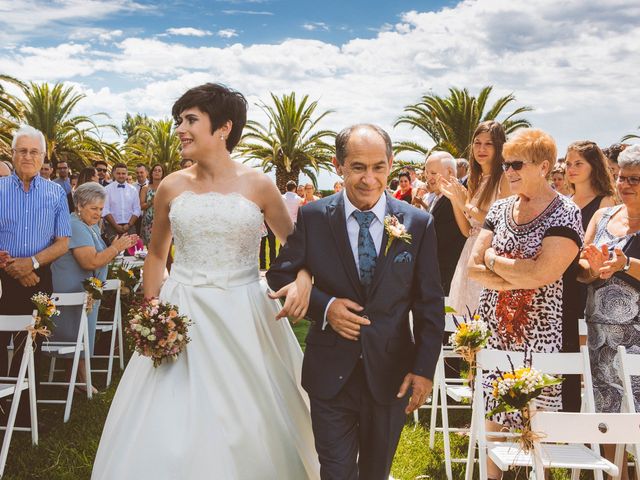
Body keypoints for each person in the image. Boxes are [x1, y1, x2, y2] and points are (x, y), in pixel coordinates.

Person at [92, 83, 319, 480]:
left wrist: (303, 280)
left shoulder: (259, 185)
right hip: (182, 310)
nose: (180, 128)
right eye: (180, 120)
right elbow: (158, 254)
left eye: (191, 120)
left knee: (253, 412)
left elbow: (297, 249)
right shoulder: (171, 186)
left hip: (245, 311)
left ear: (224, 128)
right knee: (170, 411)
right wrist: (152, 308)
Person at [268, 124, 444, 480]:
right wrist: (326, 305)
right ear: (339, 166)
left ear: (391, 164)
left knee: (375, 473)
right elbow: (279, 274)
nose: (369, 178)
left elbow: (429, 305)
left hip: (391, 372)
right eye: (358, 167)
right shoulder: (315, 217)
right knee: (336, 471)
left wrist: (424, 370)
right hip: (330, 371)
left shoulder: (418, 222)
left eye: (378, 167)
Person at [468, 128, 583, 479]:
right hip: (496, 331)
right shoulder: (501, 208)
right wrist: (517, 271)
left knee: (537, 432)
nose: (509, 171)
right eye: (506, 164)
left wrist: (494, 260)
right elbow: (474, 267)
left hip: (542, 337)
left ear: (544, 166)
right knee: (493, 423)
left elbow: (542, 275)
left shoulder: (565, 212)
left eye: (517, 164)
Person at [0, 125, 71, 426]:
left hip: (40, 279)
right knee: (1, 341)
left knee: (34, 342)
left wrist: (31, 264)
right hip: (2, 280)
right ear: (12, 154)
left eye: (34, 151)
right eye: (22, 151)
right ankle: (3, 406)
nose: (27, 156)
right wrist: (13, 268)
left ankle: (27, 410)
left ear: (44, 156)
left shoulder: (56, 193)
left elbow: (63, 242)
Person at [578, 144, 640, 477]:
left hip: (638, 338)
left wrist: (625, 264)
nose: (625, 184)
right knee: (607, 414)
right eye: (620, 177)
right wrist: (593, 266)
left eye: (634, 179)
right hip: (601, 334)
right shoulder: (604, 216)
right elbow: (582, 265)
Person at [51, 183, 138, 393]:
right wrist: (116, 248)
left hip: (84, 293)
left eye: (101, 209)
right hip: (73, 291)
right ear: (79, 205)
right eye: (94, 209)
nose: (99, 214)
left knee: (81, 334)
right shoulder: (75, 225)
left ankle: (77, 379)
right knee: (76, 334)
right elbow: (89, 262)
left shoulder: (85, 225)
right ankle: (82, 381)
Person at [441, 120, 510, 314]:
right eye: (477, 143)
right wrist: (454, 199)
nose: (481, 149)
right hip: (470, 252)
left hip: (493, 253)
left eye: (488, 144)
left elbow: (500, 221)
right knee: (467, 319)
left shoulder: (505, 179)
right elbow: (466, 230)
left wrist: (466, 205)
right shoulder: (475, 180)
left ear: (499, 146)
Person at [423, 152, 466, 295]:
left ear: (449, 172)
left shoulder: (457, 197)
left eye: (433, 173)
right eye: (427, 172)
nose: (428, 177)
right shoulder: (436, 197)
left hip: (448, 276)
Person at [565, 141, 617, 228]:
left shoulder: (605, 202)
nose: (570, 169)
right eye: (568, 164)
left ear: (594, 166)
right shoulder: (564, 201)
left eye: (578, 164)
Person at [101, 163, 141, 243]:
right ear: (114, 174)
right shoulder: (106, 189)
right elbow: (105, 210)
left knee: (131, 252)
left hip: (130, 226)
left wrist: (129, 225)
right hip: (112, 227)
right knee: (113, 253)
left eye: (123, 173)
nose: (121, 176)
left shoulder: (133, 189)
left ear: (127, 174)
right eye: (118, 173)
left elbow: (137, 209)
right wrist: (116, 226)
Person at [139, 163, 164, 246]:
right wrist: (151, 202)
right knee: (149, 248)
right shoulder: (145, 188)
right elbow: (141, 206)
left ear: (162, 173)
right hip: (148, 223)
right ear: (151, 173)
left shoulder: (166, 187)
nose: (157, 172)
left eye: (159, 171)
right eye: (155, 170)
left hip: (163, 221)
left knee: (162, 247)